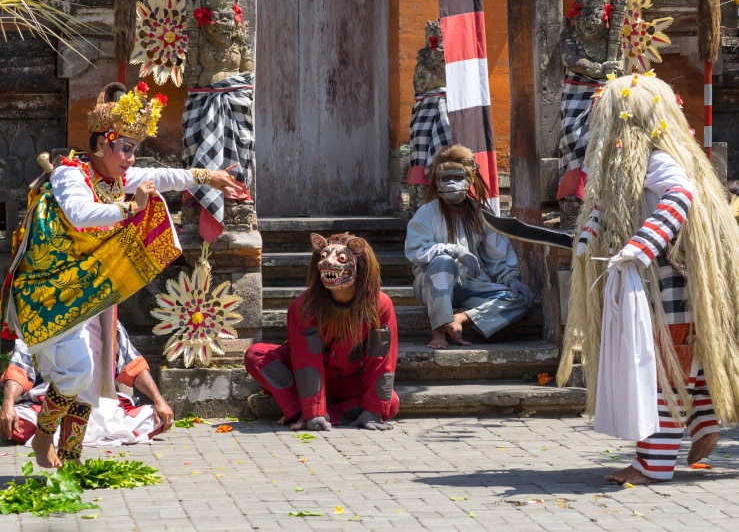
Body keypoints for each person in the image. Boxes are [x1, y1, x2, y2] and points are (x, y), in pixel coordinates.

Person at [1, 81, 235, 468]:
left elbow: (160, 178)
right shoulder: (70, 175)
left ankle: (71, 462)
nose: (130, 158)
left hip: (80, 290)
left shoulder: (112, 179)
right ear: (101, 145)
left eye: (134, 150)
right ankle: (45, 438)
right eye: (125, 148)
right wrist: (130, 209)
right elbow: (79, 214)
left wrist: (207, 177)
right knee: (78, 375)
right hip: (45, 289)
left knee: (89, 381)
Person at [558, 73, 739, 484]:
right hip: (655, 284)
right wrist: (586, 241)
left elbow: (679, 197)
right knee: (679, 361)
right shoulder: (628, 165)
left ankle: (653, 465)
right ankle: (705, 423)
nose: (603, 128)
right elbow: (606, 207)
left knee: (662, 369)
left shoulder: (659, 160)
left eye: (610, 119)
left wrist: (641, 245)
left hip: (666, 286)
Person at [245, 233, 398, 432]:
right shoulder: (304, 306)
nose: (328, 263)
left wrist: (373, 411)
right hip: (304, 378)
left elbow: (381, 359)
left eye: (341, 259)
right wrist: (313, 413)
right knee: (255, 355)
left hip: (348, 380)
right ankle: (310, 411)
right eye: (324, 257)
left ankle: (323, 412)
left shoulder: (380, 304)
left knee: (388, 403)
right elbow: (305, 360)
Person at [404, 145, 534, 349]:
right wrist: (454, 250)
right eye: (446, 178)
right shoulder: (426, 213)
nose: (452, 183)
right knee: (443, 262)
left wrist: (510, 278)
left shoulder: (481, 213)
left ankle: (461, 318)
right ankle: (438, 331)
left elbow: (497, 254)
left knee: (520, 299)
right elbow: (417, 252)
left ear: (469, 179)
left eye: (457, 177)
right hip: (431, 285)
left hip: (470, 285)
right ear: (437, 182)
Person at [0, 321, 172, 446]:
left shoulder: (106, 320)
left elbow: (132, 364)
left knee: (160, 419)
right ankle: (49, 436)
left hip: (99, 408)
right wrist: (8, 404)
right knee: (13, 423)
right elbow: (19, 369)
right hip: (49, 404)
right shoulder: (40, 316)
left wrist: (158, 400)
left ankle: (68, 438)